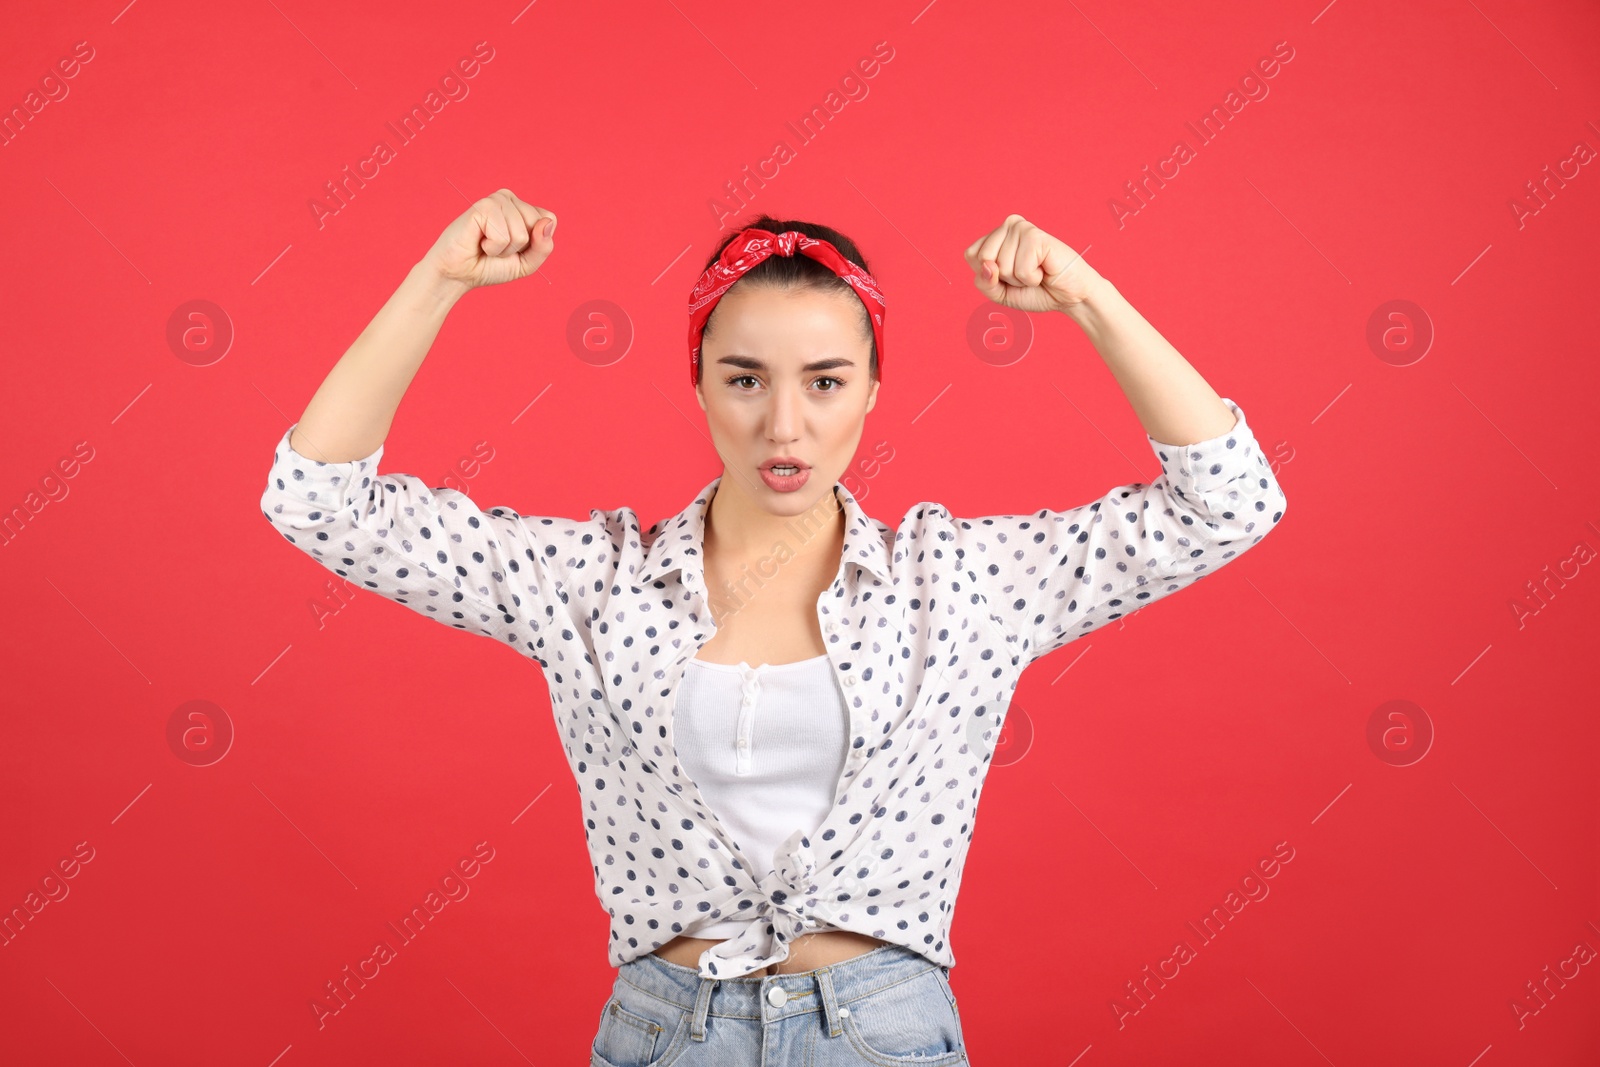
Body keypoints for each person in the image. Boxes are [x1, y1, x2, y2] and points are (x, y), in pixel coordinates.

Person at [260, 190, 1288, 1065]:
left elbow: (1229, 501)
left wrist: (1086, 296)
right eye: (744, 377)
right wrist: (440, 276)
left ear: (874, 390)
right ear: (698, 381)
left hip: (883, 1033)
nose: (784, 425)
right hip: (666, 1031)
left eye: (825, 381)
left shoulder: (960, 581)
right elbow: (319, 501)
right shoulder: (592, 583)